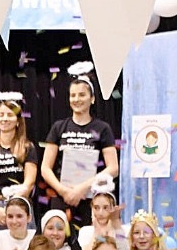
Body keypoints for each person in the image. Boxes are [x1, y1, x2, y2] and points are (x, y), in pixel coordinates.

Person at [39, 64, 118, 213]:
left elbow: (113, 168)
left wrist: (82, 188)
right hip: (62, 197)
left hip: (93, 199)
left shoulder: (102, 128)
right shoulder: (58, 127)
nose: (77, 99)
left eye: (82, 95)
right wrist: (63, 191)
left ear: (92, 99)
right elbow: (45, 168)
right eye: (73, 95)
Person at [0, 91, 39, 248]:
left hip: (20, 206)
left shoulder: (27, 148)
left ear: (18, 120)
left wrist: (13, 207)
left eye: (10, 115)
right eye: (1, 115)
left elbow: (29, 182)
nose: (4, 119)